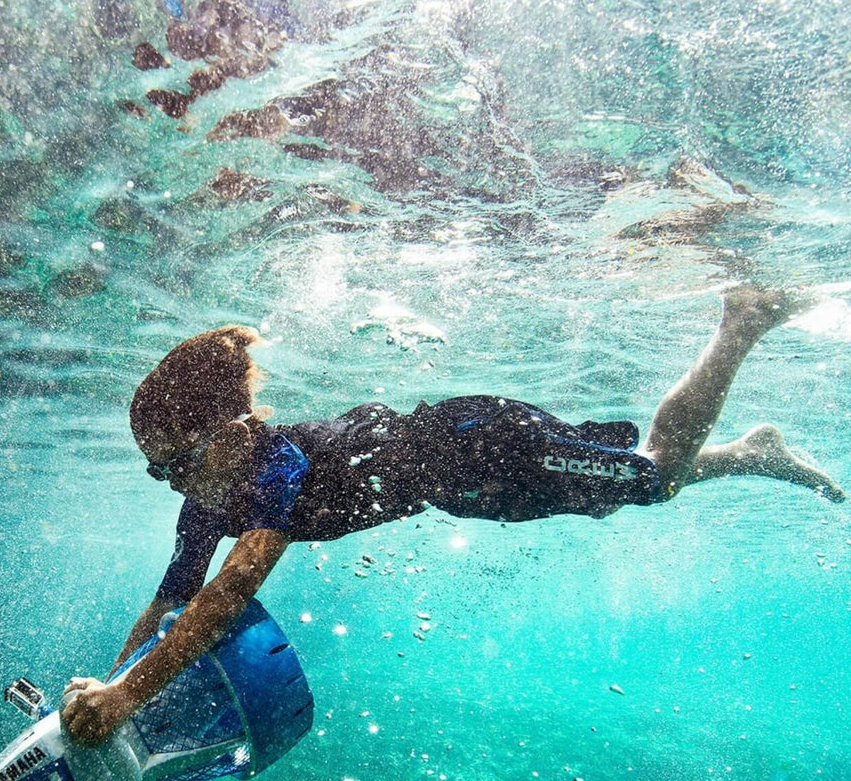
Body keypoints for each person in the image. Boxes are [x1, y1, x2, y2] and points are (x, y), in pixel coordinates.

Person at [61, 288, 844, 744]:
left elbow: (228, 594)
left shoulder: (276, 467)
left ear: (231, 438)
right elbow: (169, 602)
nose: (169, 484)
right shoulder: (207, 498)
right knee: (625, 492)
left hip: (486, 446)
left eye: (175, 464)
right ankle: (751, 452)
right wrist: (112, 682)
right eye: (155, 470)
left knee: (653, 477)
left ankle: (741, 323)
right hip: (468, 491)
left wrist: (125, 701)